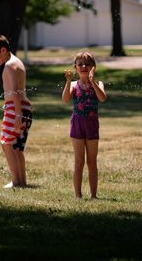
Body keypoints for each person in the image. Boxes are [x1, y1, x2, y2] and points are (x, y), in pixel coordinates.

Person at [0, 34, 32, 188]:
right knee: (16, 146)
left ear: (3, 49)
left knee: (7, 143)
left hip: (16, 109)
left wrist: (17, 116)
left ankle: (17, 182)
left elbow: (15, 93)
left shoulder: (9, 66)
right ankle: (20, 181)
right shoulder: (17, 62)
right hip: (24, 108)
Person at [62, 51, 106, 199]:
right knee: (79, 161)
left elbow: (102, 98)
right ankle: (78, 195)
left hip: (92, 125)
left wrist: (92, 82)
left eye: (87, 64)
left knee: (92, 161)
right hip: (77, 124)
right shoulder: (74, 84)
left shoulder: (98, 84)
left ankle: (94, 195)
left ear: (93, 67)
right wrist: (68, 81)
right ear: (75, 68)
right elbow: (66, 99)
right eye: (80, 64)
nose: (84, 66)